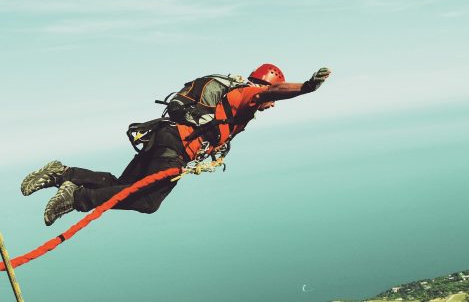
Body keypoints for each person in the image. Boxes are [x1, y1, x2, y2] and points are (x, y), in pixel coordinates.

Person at [20, 64, 331, 226]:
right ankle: (77, 197)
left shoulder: (229, 93)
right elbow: (271, 94)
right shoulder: (247, 95)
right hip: (177, 147)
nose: (272, 104)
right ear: (265, 86)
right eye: (271, 95)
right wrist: (306, 88)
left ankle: (62, 174)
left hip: (163, 136)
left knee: (127, 188)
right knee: (146, 200)